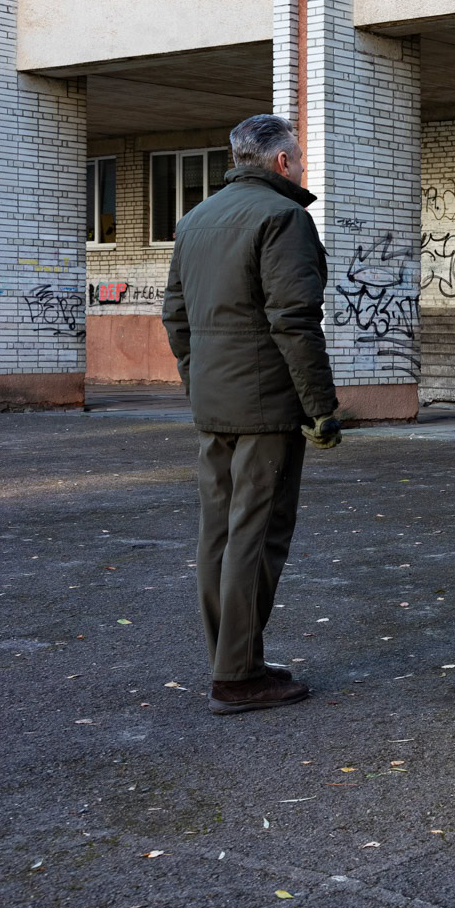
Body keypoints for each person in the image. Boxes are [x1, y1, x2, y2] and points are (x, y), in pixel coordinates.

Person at [162, 114, 338, 716]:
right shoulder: (284, 217)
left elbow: (175, 319)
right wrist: (321, 409)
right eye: (300, 157)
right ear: (281, 163)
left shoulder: (194, 221)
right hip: (266, 406)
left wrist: (199, 384)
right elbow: (294, 321)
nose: (304, 167)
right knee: (257, 538)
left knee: (219, 534)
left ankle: (233, 661)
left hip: (215, 404)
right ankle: (237, 677)